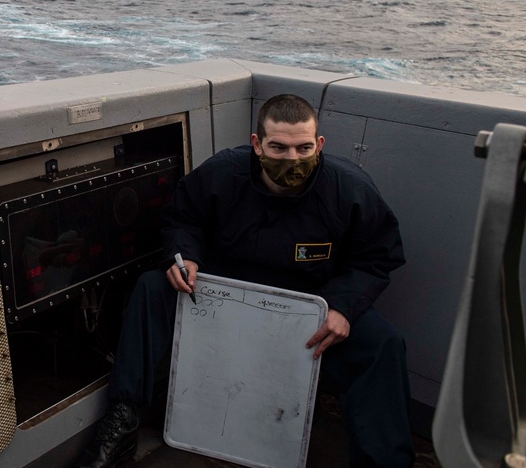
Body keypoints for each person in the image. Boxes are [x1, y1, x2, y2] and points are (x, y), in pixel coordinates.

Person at [77, 94, 414, 468]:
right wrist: (184, 255)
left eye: (304, 148)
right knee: (152, 289)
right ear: (257, 145)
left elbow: (378, 255)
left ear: (319, 144)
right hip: (226, 294)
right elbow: (182, 218)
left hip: (307, 306)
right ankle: (123, 420)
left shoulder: (349, 189)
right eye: (279, 147)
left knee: (383, 344)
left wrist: (342, 306)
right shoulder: (223, 173)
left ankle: (384, 462)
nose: (292, 160)